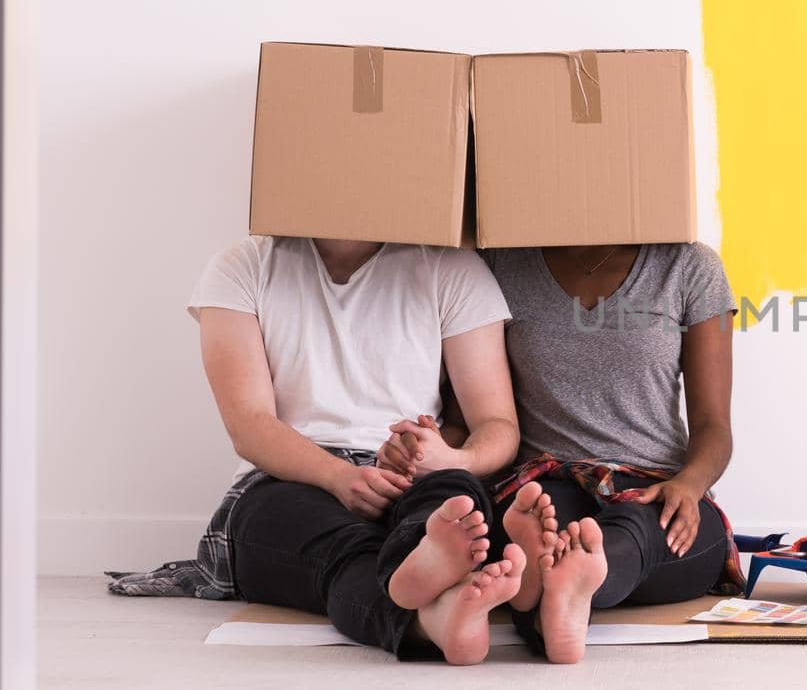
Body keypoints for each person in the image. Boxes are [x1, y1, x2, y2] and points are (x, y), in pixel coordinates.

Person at [110, 235, 526, 665]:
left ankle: (424, 571)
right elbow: (249, 426)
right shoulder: (243, 266)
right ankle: (428, 612)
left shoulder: (453, 268)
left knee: (453, 490)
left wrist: (450, 457)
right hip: (289, 477)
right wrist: (338, 477)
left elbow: (497, 426)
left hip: (413, 477)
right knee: (342, 548)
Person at [379, 240, 740, 664]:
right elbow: (471, 416)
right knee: (544, 525)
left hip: (653, 483)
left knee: (645, 528)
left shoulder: (689, 266)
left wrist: (690, 483)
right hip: (542, 483)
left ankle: (564, 580)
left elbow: (714, 427)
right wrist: (432, 450)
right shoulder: (500, 261)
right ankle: (559, 583)